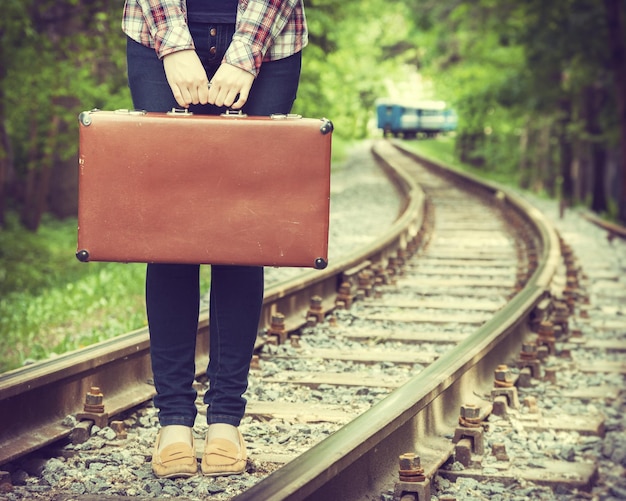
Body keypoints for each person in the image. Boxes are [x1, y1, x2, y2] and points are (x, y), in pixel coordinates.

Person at [121, 0, 308, 479]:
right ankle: (174, 423)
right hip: (158, 30)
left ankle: (226, 419)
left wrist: (245, 50)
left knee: (242, 235)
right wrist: (174, 43)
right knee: (171, 233)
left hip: (271, 35)